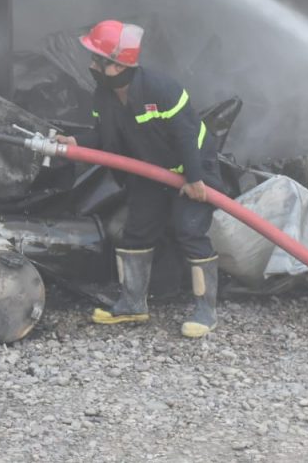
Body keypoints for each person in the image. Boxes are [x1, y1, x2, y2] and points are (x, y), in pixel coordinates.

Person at [55, 19, 222, 338]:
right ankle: (132, 304)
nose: (91, 66)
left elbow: (186, 135)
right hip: (149, 172)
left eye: (96, 60)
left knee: (189, 230)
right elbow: (104, 136)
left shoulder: (162, 89)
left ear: (117, 66)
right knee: (137, 232)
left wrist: (194, 178)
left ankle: (206, 310)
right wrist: (75, 143)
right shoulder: (103, 96)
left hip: (192, 170)